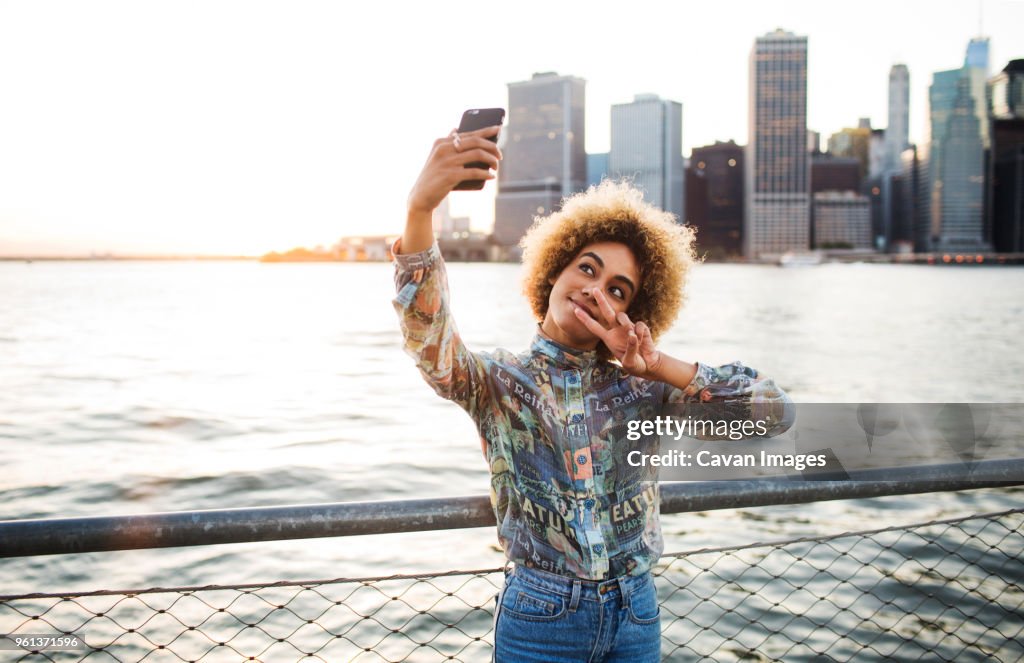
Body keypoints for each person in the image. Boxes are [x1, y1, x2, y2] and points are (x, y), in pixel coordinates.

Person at [392, 124, 793, 663]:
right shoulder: (497, 381)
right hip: (541, 616)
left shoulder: (649, 389)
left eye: (616, 290)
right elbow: (431, 343)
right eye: (587, 268)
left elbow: (773, 413)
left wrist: (658, 365)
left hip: (638, 612)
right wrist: (420, 211)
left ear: (633, 311)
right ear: (554, 271)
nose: (593, 290)